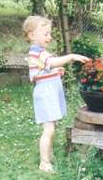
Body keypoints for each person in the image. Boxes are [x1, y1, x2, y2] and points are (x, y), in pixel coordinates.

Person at [22, 15, 89, 173]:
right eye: (45, 34)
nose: (49, 37)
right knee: (49, 129)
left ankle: (49, 154)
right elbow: (50, 62)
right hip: (45, 94)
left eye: (49, 33)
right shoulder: (37, 52)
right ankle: (44, 162)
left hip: (49, 92)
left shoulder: (41, 52)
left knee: (51, 127)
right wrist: (71, 57)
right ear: (32, 35)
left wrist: (55, 71)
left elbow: (44, 68)